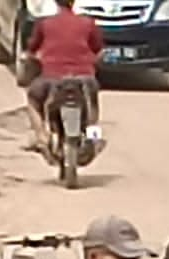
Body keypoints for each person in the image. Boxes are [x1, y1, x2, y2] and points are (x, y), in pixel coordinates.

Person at [24, 0, 104, 157]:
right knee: (92, 104)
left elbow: (31, 51)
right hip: (84, 78)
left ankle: (42, 137)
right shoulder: (88, 23)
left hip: (52, 78)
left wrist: (31, 60)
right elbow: (99, 51)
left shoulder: (45, 24)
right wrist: (92, 63)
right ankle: (93, 135)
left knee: (32, 100)